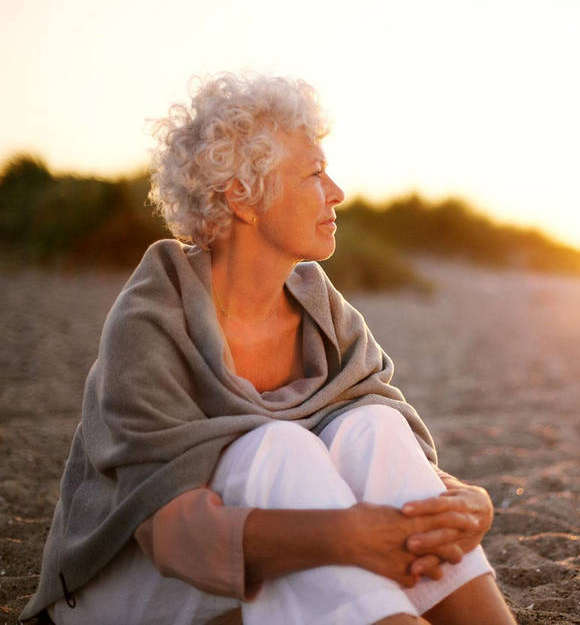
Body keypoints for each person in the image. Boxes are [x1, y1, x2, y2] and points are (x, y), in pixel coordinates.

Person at [21, 74, 515, 624]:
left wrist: (465, 500)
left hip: (277, 557)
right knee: (279, 445)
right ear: (242, 196)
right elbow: (171, 533)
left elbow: (391, 458)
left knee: (373, 426)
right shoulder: (153, 320)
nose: (337, 192)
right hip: (133, 583)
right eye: (314, 173)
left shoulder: (321, 310)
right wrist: (344, 537)